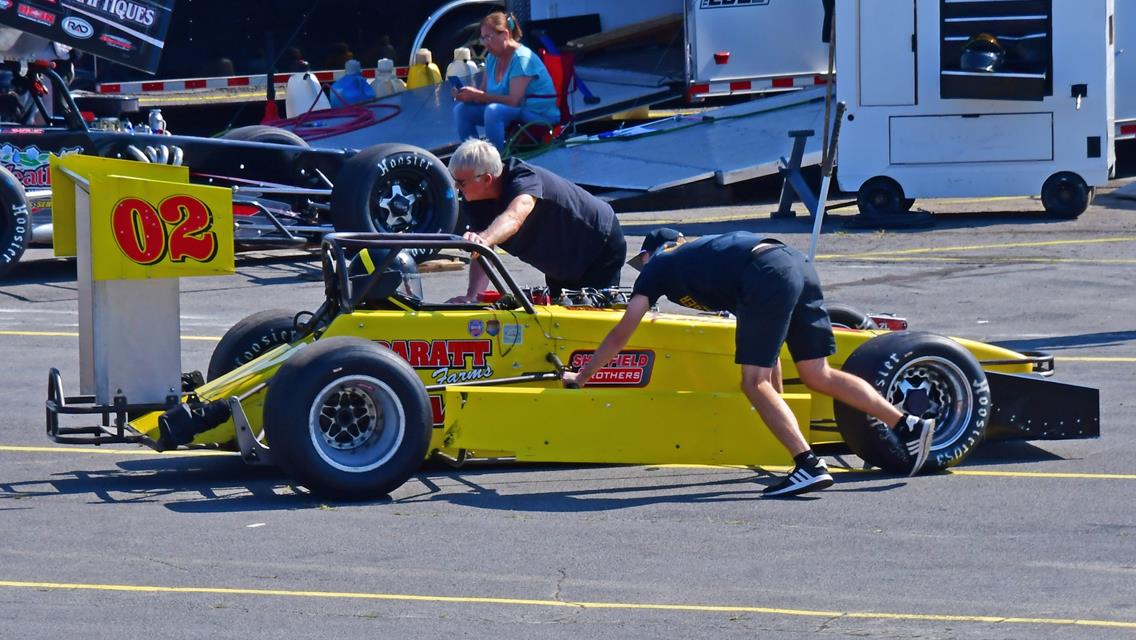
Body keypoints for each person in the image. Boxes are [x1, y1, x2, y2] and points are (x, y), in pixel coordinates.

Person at [562, 229, 936, 498]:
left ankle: (808, 465)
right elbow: (764, 339)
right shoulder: (706, 259)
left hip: (766, 273)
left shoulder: (660, 266)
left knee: (750, 383)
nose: (639, 268)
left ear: (650, 253)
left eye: (640, 261)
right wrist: (774, 400)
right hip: (792, 264)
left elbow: (623, 332)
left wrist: (582, 376)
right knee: (816, 373)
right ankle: (907, 425)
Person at [447, 138, 626, 301]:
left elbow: (514, 217)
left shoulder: (523, 178)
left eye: (461, 182)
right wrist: (471, 297)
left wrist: (484, 239)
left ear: (486, 179)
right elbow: (483, 253)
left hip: (598, 244)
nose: (456, 187)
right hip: (561, 260)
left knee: (591, 316)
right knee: (560, 319)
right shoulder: (476, 200)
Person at [452, 11, 560, 150]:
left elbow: (514, 101)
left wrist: (479, 96)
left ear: (505, 34)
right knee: (461, 110)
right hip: (512, 111)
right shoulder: (492, 58)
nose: (485, 44)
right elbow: (483, 93)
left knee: (493, 111)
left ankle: (496, 163)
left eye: (488, 37)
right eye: (483, 39)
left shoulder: (522, 59)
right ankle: (474, 157)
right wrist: (466, 95)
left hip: (537, 114)